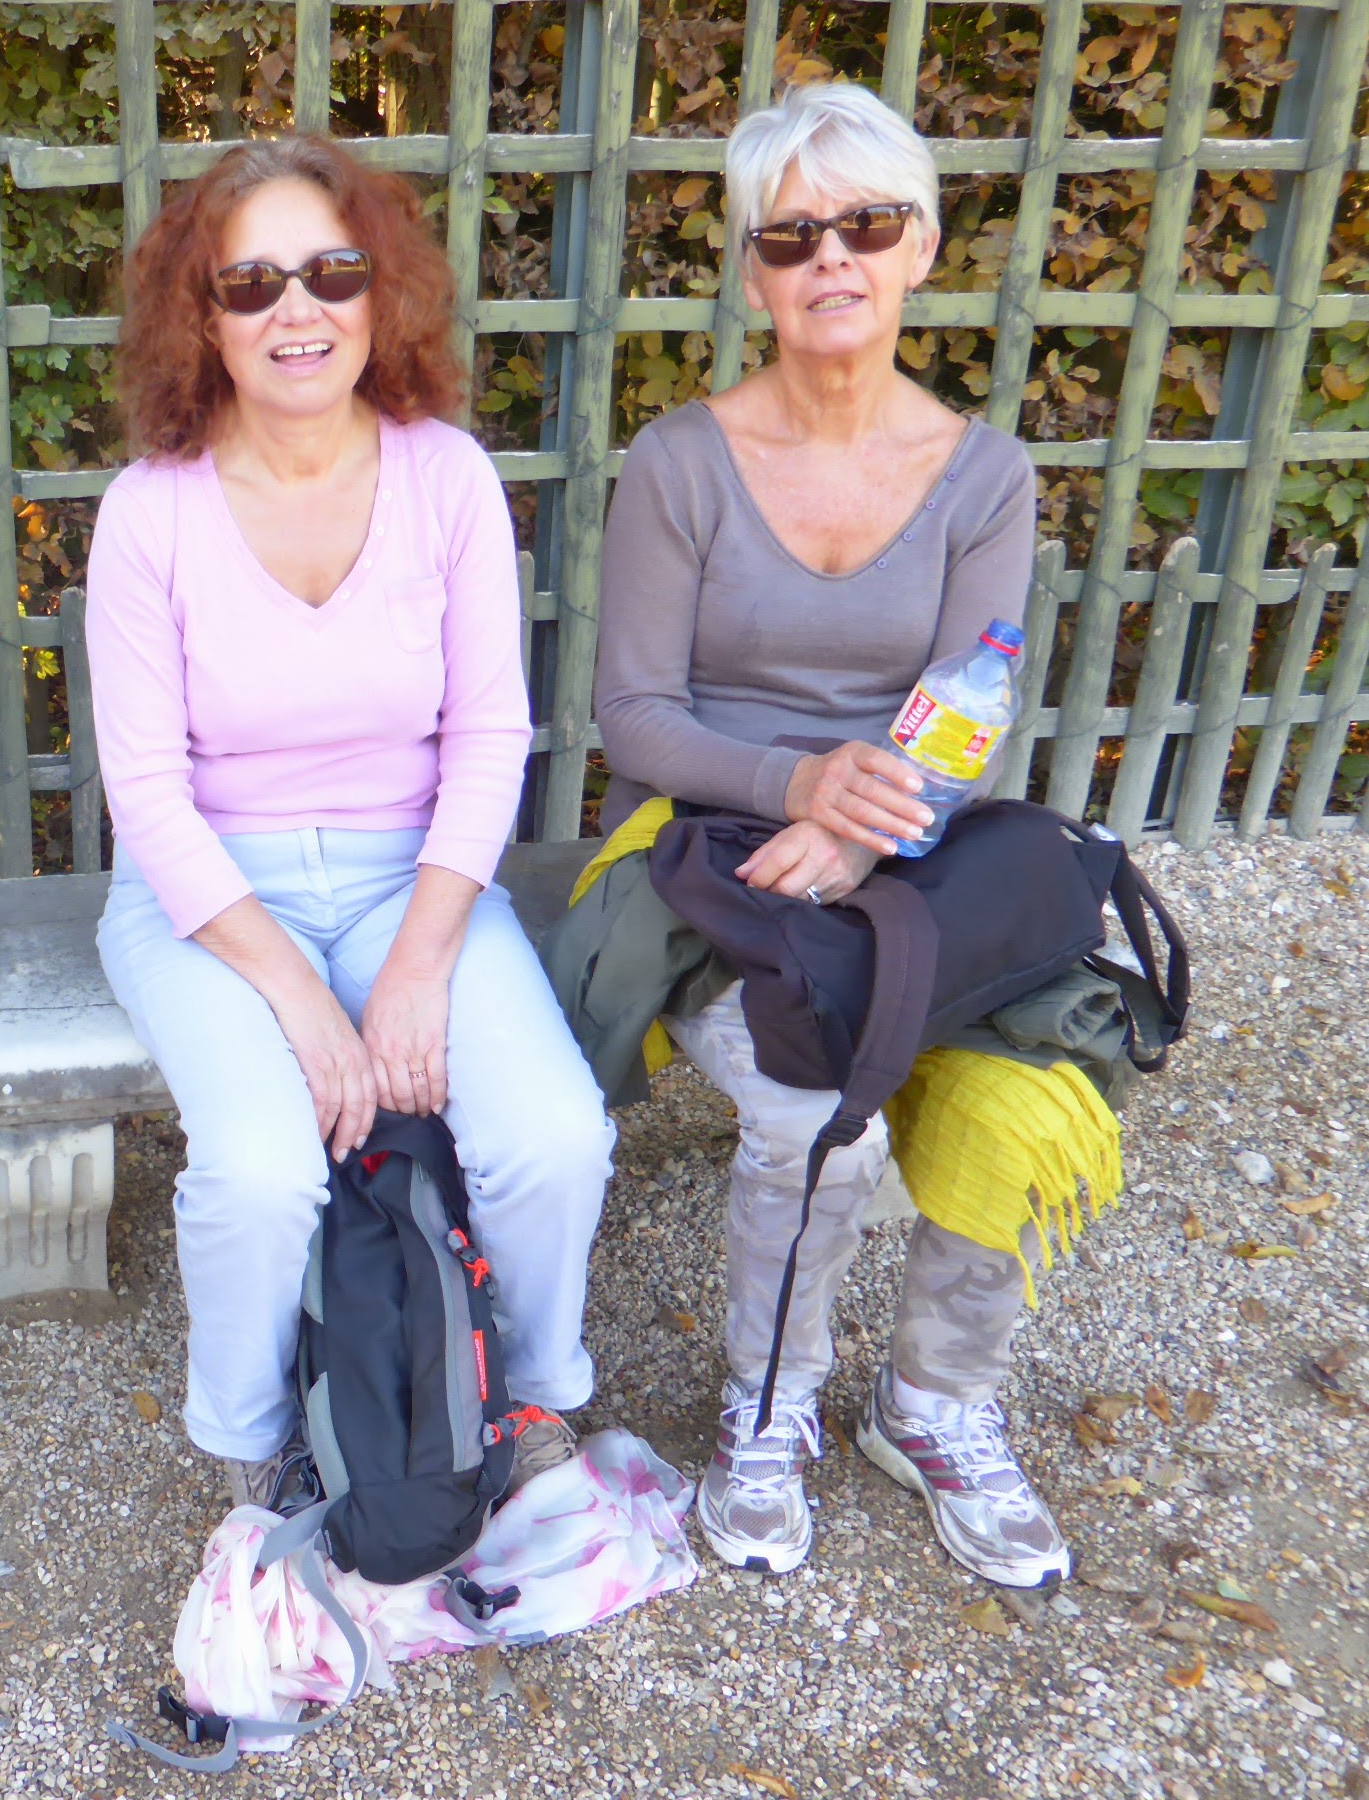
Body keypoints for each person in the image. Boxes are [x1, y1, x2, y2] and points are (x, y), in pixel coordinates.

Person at [88, 135, 615, 1512]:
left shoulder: (447, 478)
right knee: (261, 1173)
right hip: (213, 903)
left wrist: (421, 964)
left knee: (555, 1138)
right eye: (251, 282)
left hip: (410, 884)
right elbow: (147, 794)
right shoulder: (149, 516)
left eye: (331, 272)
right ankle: (254, 1442)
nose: (297, 309)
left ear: (380, 294)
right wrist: (308, 1005)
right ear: (203, 318)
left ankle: (533, 1394)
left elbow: (489, 735)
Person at [594, 81, 1066, 1588]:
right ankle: (771, 1400)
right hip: (706, 846)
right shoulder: (680, 462)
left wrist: (863, 836)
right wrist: (796, 786)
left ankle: (933, 1405)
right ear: (753, 275)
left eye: (866, 224)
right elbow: (634, 716)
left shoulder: (987, 477)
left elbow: (970, 708)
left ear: (921, 246)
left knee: (1035, 1089)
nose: (832, 260)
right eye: (791, 236)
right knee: (812, 1110)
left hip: (907, 844)